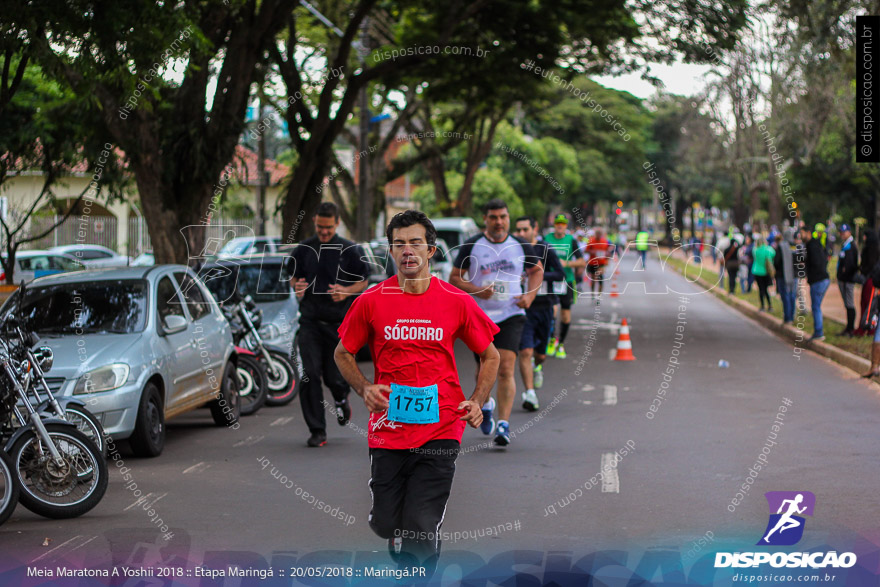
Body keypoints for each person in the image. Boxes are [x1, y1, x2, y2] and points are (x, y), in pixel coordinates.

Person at [334, 210, 501, 578]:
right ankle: (401, 538)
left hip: (442, 426)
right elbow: (342, 352)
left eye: (415, 243)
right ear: (391, 251)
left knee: (422, 524)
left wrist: (476, 400)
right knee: (386, 522)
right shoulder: (372, 301)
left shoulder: (455, 300)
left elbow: (490, 354)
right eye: (399, 244)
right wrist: (363, 387)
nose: (407, 250)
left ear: (431, 250)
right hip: (388, 429)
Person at [449, 199, 543, 447]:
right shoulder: (472, 244)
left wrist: (529, 296)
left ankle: (503, 423)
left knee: (504, 367)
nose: (499, 221)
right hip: (480, 316)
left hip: (511, 313)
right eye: (493, 217)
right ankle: (486, 405)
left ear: (508, 218)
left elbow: (537, 271)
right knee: (482, 370)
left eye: (503, 216)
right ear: (485, 220)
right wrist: (476, 290)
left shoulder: (520, 244)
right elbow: (454, 277)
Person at [290, 202, 370, 447]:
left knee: (335, 378)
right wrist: (297, 286)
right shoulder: (303, 249)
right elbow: (293, 277)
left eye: (328, 227)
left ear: (337, 223)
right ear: (315, 221)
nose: (324, 232)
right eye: (319, 227)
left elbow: (364, 282)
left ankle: (341, 396)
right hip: (310, 323)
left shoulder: (350, 250)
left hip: (338, 324)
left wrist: (346, 291)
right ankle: (317, 430)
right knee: (310, 375)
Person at [513, 216, 565, 411]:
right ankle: (529, 393)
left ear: (534, 229)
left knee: (540, 354)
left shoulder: (544, 249)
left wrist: (537, 274)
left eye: (525, 230)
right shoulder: (513, 249)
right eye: (518, 230)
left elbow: (559, 273)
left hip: (544, 306)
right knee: (525, 351)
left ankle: (538, 365)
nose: (520, 234)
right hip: (522, 307)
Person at [544, 214, 586, 359]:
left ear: (566, 226)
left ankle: (561, 344)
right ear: (554, 225)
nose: (560, 226)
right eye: (557, 223)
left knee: (565, 316)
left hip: (566, 281)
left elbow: (581, 262)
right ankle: (551, 340)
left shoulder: (571, 241)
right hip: (550, 280)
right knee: (551, 312)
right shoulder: (547, 239)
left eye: (562, 223)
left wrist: (566, 264)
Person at [799, 224, 830, 341]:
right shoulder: (813, 244)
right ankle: (818, 331)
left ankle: (819, 332)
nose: (801, 236)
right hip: (819, 279)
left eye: (802, 233)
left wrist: (809, 269)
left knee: (816, 307)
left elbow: (818, 262)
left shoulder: (812, 246)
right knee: (816, 306)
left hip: (818, 280)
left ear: (808, 233)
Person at [836, 224, 859, 336]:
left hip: (848, 280)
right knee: (847, 304)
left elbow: (850, 265)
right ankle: (849, 327)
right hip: (844, 279)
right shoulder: (846, 245)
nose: (842, 234)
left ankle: (850, 329)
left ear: (849, 232)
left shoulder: (851, 246)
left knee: (850, 304)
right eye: (841, 232)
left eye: (844, 232)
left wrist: (845, 275)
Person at [855, 230, 880, 336]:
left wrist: (863, 271)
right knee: (864, 303)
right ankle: (863, 326)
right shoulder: (870, 248)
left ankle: (870, 328)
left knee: (869, 305)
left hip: (871, 280)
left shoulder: (872, 250)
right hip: (868, 279)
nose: (863, 238)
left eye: (865, 236)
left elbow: (870, 265)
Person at [773, 230, 797, 324]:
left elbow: (776, 261)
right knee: (792, 295)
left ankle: (787, 317)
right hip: (794, 275)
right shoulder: (795, 246)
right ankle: (792, 315)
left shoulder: (781, 246)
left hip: (783, 276)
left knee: (785, 296)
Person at [585, 227, 611, 303]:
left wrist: (607, 258)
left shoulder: (604, 241)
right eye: (597, 234)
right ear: (595, 234)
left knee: (600, 279)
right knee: (593, 279)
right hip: (592, 263)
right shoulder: (591, 241)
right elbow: (586, 250)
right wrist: (592, 251)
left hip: (601, 263)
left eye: (600, 234)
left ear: (602, 234)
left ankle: (599, 296)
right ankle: (593, 293)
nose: (599, 235)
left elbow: (607, 251)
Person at [751, 233, 776, 312]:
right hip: (766, 272)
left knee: (761, 289)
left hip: (757, 271)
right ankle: (770, 305)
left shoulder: (755, 250)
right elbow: (773, 254)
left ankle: (762, 306)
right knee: (766, 289)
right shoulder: (768, 249)